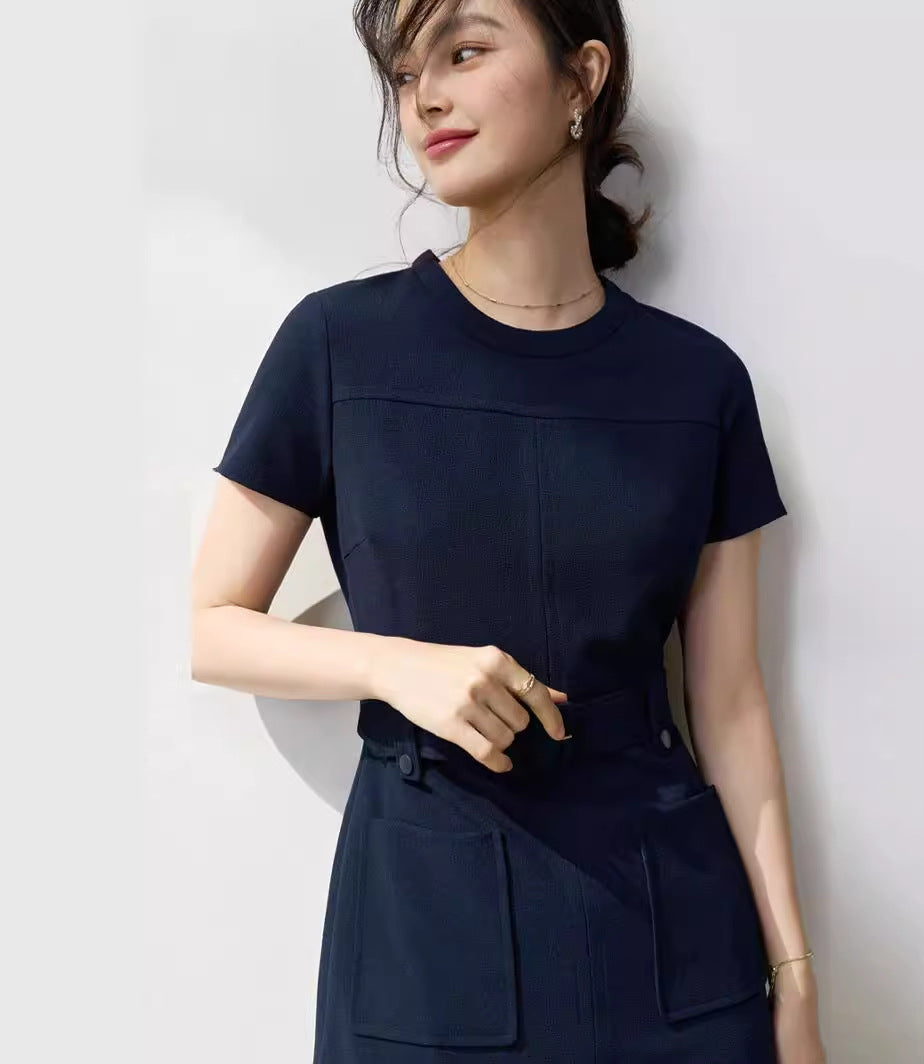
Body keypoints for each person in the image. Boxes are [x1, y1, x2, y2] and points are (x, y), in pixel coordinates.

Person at [190, 1, 826, 1061]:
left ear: (582, 78)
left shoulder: (697, 382)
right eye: (406, 75)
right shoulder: (338, 345)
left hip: (673, 938)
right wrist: (395, 665)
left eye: (466, 51)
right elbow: (210, 627)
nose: (424, 98)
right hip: (427, 936)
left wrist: (793, 975)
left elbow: (727, 699)